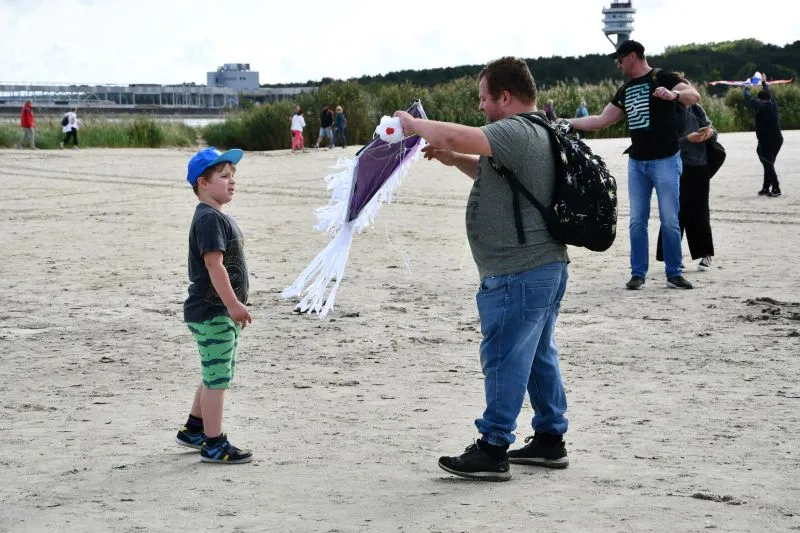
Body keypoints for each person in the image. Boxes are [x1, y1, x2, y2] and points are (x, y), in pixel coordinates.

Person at [394, 56, 570, 482]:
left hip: (518, 271)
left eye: (484, 98)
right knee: (536, 355)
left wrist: (412, 124)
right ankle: (550, 438)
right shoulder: (540, 129)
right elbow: (495, 175)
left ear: (505, 97)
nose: (481, 106)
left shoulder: (516, 129)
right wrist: (454, 159)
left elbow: (459, 133)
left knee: (504, 357)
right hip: (542, 266)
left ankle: (493, 447)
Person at [569, 39, 700, 291]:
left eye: (619, 59)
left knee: (670, 220)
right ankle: (638, 274)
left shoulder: (663, 77)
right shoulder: (625, 90)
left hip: (666, 160)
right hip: (637, 163)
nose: (618, 65)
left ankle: (674, 273)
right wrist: (568, 122)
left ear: (632, 56)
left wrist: (673, 94)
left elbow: (693, 95)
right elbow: (601, 120)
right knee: (637, 221)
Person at [175, 147, 254, 464]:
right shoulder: (208, 219)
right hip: (213, 312)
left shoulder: (215, 216)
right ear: (203, 182)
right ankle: (214, 443)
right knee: (217, 378)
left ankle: (194, 429)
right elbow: (213, 265)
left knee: (215, 372)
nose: (232, 181)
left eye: (233, 176)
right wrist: (233, 304)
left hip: (218, 312)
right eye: (223, 176)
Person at [655, 104, 716, 270]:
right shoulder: (667, 110)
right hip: (675, 166)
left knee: (701, 211)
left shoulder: (697, 109)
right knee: (674, 212)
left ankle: (705, 254)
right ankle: (670, 256)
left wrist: (710, 133)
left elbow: (714, 131)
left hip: (700, 166)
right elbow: (663, 143)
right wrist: (687, 139)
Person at [744, 78, 783, 197]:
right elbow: (768, 93)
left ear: (759, 100)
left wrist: (747, 87)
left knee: (768, 164)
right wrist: (764, 83)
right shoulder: (773, 104)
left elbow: (748, 98)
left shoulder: (759, 107)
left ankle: (776, 188)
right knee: (768, 163)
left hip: (766, 141)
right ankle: (766, 188)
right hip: (777, 140)